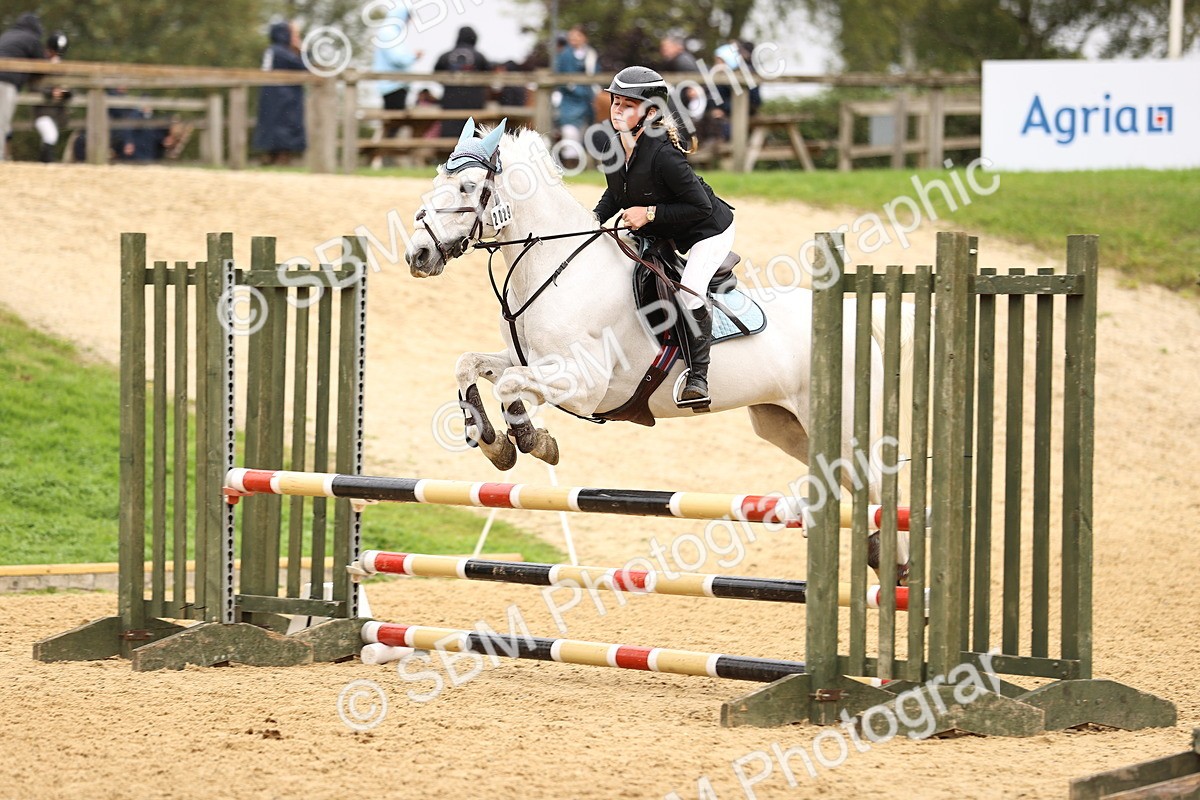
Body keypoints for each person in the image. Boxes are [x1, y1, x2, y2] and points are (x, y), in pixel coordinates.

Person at [592, 66, 735, 408]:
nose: (617, 109)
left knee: (689, 294)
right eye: (616, 102)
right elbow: (616, 194)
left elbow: (700, 207)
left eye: (628, 104)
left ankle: (698, 377)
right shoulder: (612, 146)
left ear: (651, 112)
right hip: (662, 230)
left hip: (707, 231)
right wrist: (593, 220)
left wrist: (649, 214)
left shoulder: (664, 154)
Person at [253, 21, 308, 166]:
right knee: (284, 128)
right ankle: (279, 159)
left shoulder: (273, 50)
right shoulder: (281, 52)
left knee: (274, 128)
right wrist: (302, 49)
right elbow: (304, 66)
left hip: (274, 98)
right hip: (284, 99)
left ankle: (273, 158)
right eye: (294, 35)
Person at [0, 12, 47, 161]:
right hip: (5, 81)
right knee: (1, 121)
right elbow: (42, 67)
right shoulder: (31, 39)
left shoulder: (7, 35)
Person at [372, 4, 421, 139]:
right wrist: (413, 57)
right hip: (393, 85)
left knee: (391, 122)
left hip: (392, 84)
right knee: (393, 123)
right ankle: (380, 153)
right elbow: (397, 58)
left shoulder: (390, 32)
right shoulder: (389, 33)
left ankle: (380, 154)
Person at [434, 26, 490, 139]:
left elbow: (436, 75)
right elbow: (489, 77)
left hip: (450, 101)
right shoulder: (480, 57)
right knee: (472, 134)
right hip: (474, 102)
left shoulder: (445, 56)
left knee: (449, 133)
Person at [553, 25, 598, 166]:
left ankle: (587, 164)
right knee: (569, 132)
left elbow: (596, 73)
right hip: (569, 98)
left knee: (587, 131)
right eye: (571, 37)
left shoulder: (590, 54)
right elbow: (561, 76)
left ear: (584, 38)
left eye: (577, 36)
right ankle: (570, 163)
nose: (574, 39)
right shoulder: (565, 55)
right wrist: (576, 87)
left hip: (587, 99)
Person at [32, 30, 70, 163]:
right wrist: (50, 92)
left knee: (50, 136)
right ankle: (46, 165)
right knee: (50, 135)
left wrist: (64, 92)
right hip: (43, 111)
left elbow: (68, 87)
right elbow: (35, 86)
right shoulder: (41, 64)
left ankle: (44, 165)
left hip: (56, 112)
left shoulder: (61, 67)